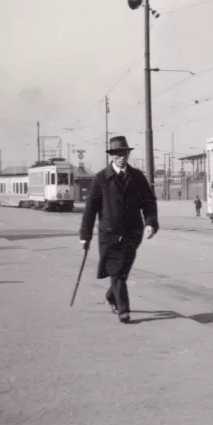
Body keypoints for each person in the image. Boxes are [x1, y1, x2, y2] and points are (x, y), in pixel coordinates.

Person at [79, 136, 159, 324]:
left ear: (128, 154)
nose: (121, 158)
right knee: (117, 271)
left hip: (133, 233)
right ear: (111, 156)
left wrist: (150, 223)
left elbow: (149, 203)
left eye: (124, 154)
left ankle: (111, 296)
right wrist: (85, 235)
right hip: (110, 234)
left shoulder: (138, 177)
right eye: (117, 155)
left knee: (122, 270)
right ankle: (124, 309)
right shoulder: (101, 179)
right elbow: (90, 209)